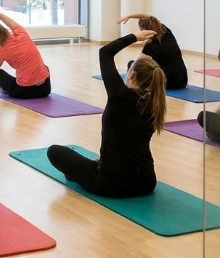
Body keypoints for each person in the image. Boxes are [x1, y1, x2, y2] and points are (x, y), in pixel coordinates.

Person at [46, 30, 166, 198]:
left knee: (55, 152)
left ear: (131, 74)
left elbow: (105, 52)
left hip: (111, 184)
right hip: (146, 182)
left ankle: (83, 173)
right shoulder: (156, 103)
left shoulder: (120, 96)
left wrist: (134, 37)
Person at [0, 12, 51, 99]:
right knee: (44, 67)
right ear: (4, 29)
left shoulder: (2, 50)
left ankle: (7, 89)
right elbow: (0, 15)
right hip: (45, 89)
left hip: (23, 91)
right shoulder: (21, 32)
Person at [118, 12, 188, 90]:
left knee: (131, 63)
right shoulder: (167, 32)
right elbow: (151, 17)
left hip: (165, 83)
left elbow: (136, 65)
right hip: (182, 81)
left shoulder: (150, 46)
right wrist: (130, 16)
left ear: (143, 31)